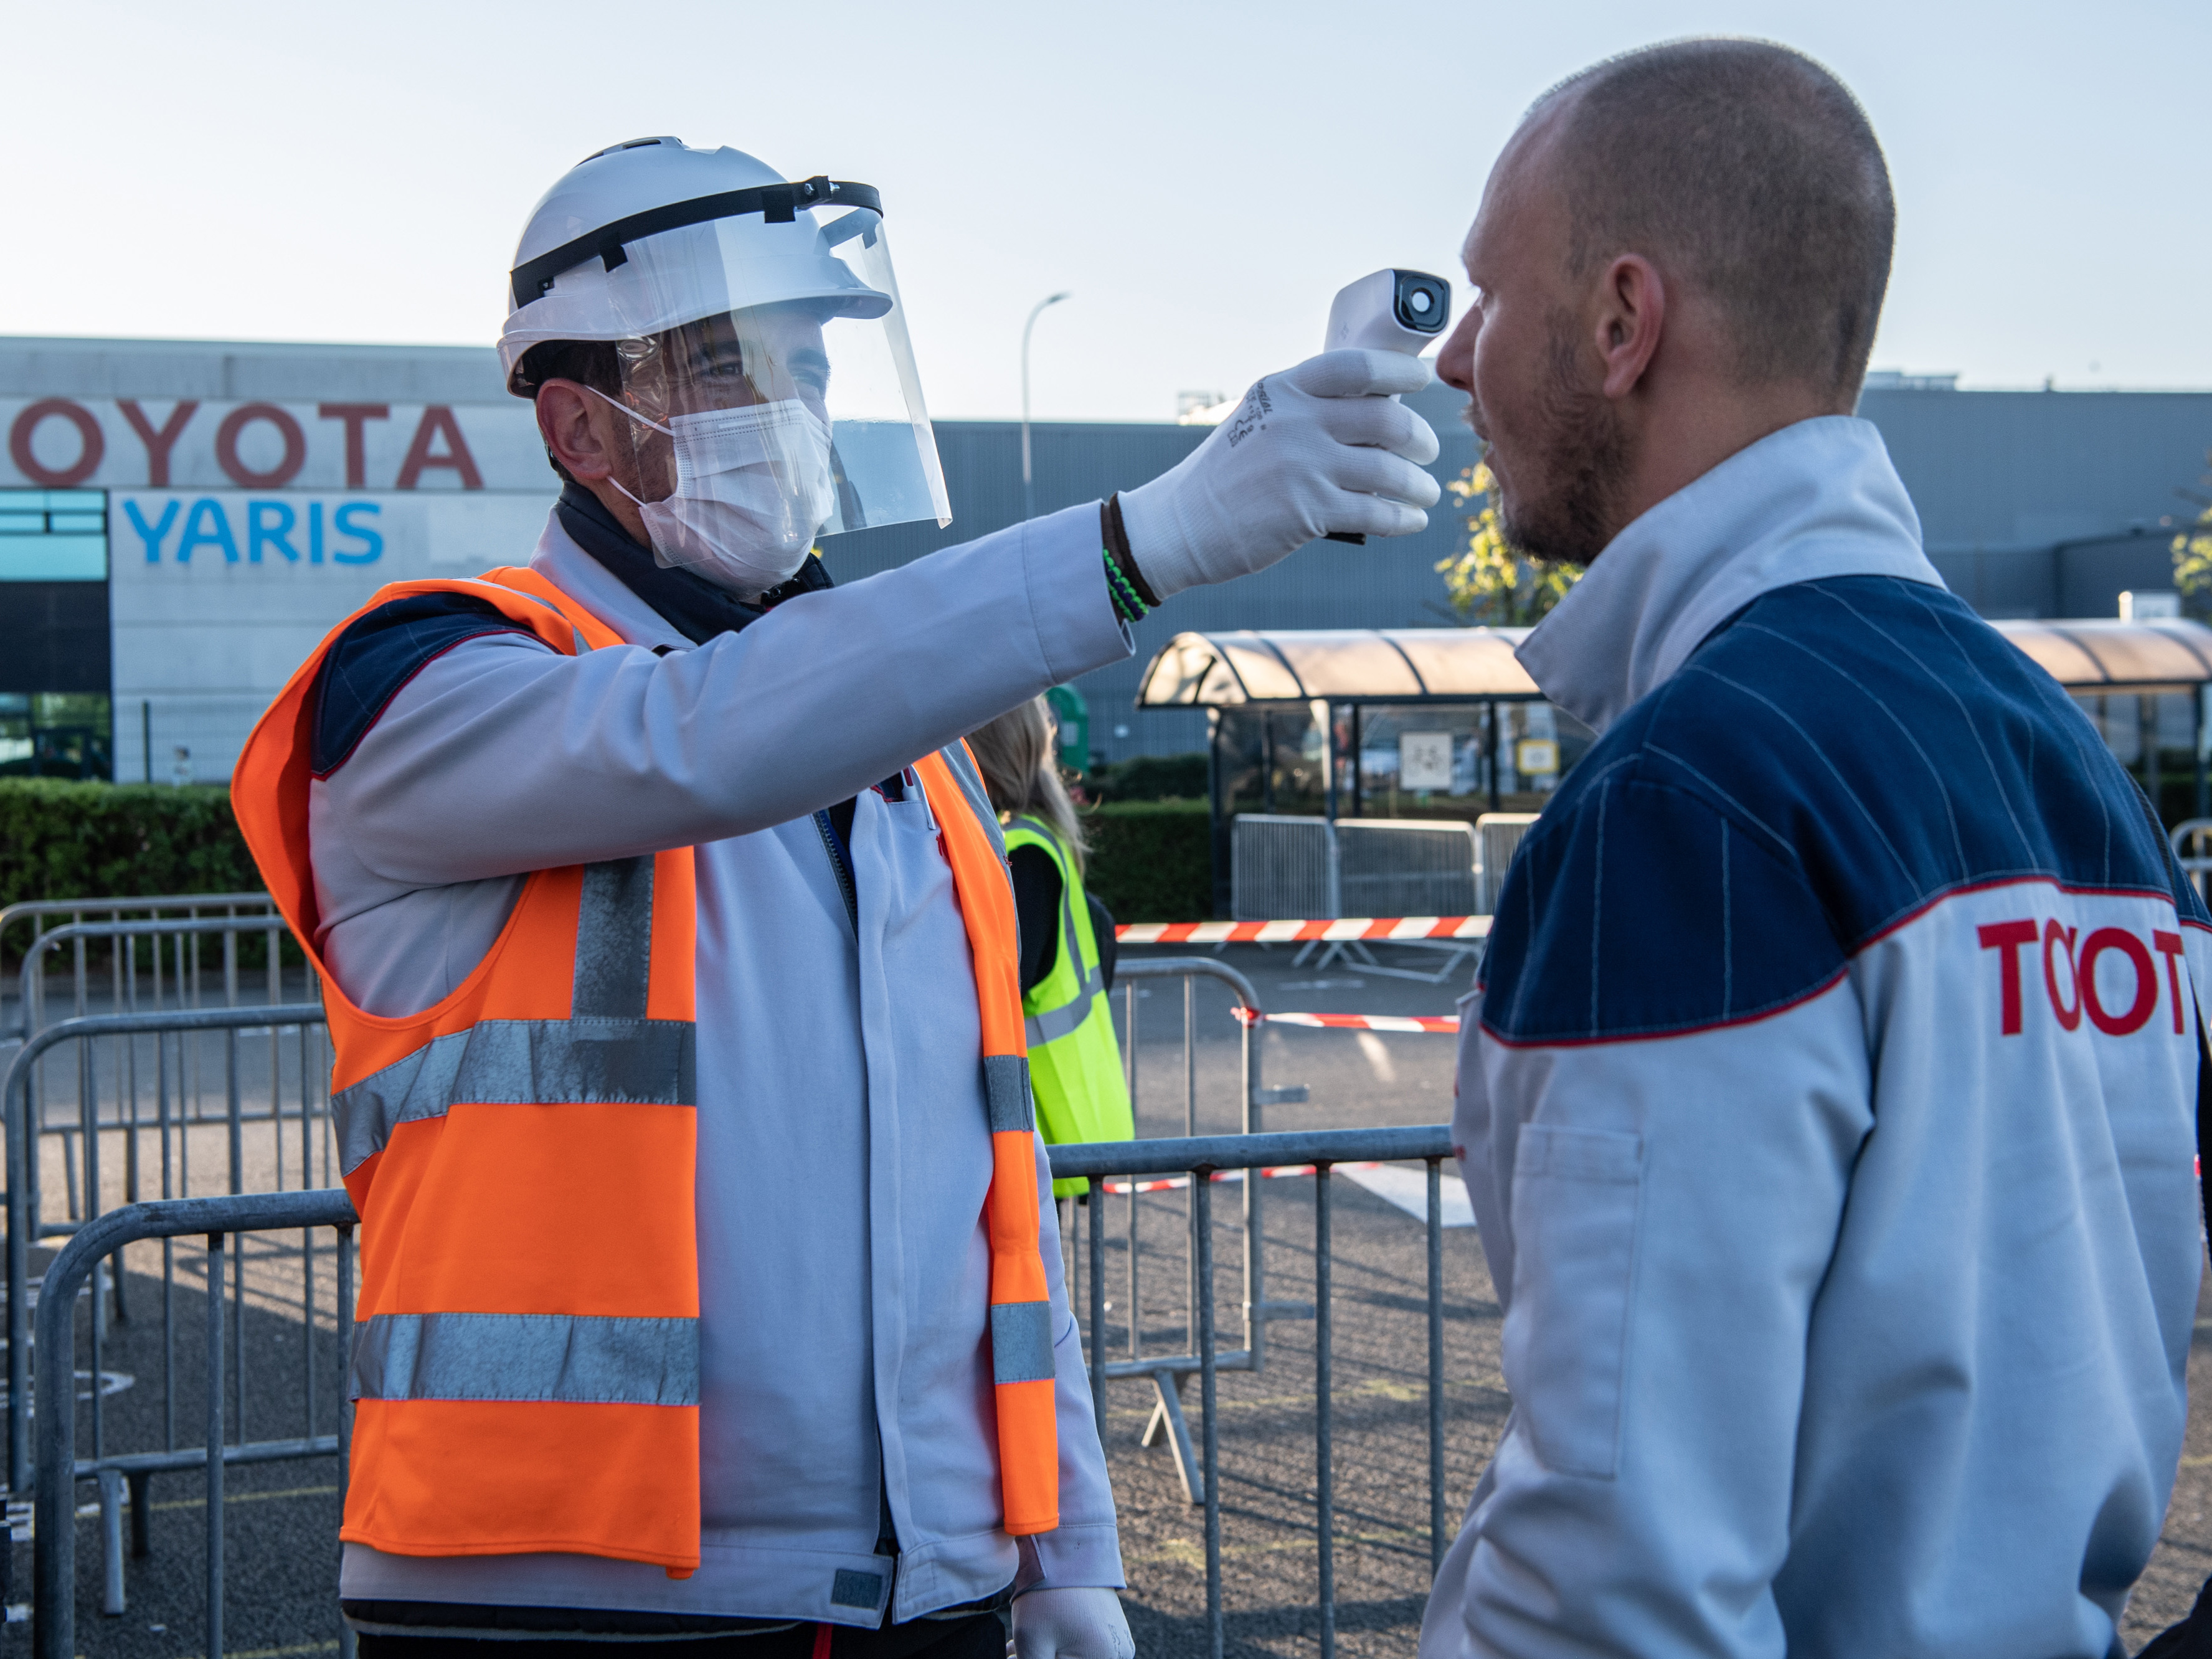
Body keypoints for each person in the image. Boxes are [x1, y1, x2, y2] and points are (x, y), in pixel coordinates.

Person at [229, 136, 1441, 1658]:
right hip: (553, 1598)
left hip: (921, 1585)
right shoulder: (422, 689)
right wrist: (1135, 548)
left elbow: (989, 1202)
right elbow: (696, 740)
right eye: (740, 366)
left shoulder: (911, 768)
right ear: (579, 422)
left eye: (810, 367)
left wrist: (1063, 1541)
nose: (795, 412)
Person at [1417, 41, 2206, 1659]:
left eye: (1489, 301)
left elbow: (1619, 1579)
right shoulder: (2067, 769)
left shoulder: (1695, 802)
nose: (1454, 365)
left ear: (1624, 323)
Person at [967, 697, 1132, 1199]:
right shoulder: (1040, 841)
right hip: (1057, 1125)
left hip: (1035, 1130)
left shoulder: (1021, 855)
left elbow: (997, 991)